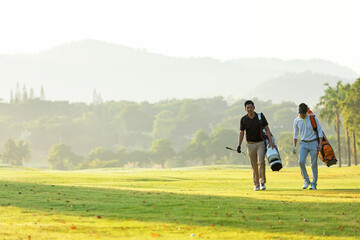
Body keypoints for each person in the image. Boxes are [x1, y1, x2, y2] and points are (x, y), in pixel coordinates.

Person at [237, 100, 275, 191]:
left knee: (261, 162)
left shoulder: (260, 117)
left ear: (254, 107)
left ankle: (262, 183)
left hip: (260, 143)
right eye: (248, 107)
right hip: (250, 144)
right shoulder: (243, 119)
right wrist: (239, 145)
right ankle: (256, 184)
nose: (249, 109)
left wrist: (271, 142)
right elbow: (241, 133)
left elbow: (267, 129)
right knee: (254, 165)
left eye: (251, 107)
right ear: (245, 109)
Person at [292, 103, 323, 190]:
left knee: (313, 164)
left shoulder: (312, 118)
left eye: (303, 113)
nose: (302, 114)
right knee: (301, 162)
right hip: (303, 144)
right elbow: (295, 134)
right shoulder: (296, 120)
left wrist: (320, 144)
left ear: (306, 111)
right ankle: (306, 180)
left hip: (313, 143)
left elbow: (320, 130)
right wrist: (294, 146)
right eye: (301, 112)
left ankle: (314, 184)